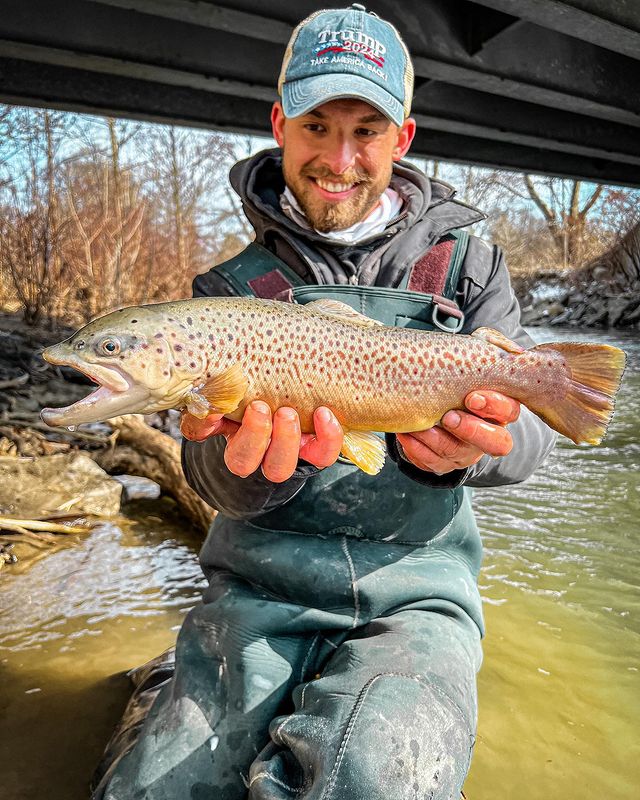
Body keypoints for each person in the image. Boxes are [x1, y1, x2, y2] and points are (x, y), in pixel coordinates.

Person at [93, 5, 556, 799]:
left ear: (402, 137)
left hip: (418, 597)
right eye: (316, 126)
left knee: (377, 776)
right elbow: (208, 468)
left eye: (367, 129)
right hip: (254, 592)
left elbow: (539, 432)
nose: (339, 158)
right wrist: (248, 472)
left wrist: (488, 445)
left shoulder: (469, 267)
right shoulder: (225, 293)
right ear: (280, 124)